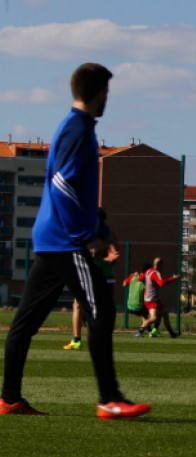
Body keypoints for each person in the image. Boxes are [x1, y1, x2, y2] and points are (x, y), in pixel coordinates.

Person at [0, 63, 150, 418]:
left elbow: (77, 192)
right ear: (98, 93)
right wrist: (86, 237)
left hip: (54, 240)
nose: (107, 100)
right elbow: (63, 186)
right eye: (107, 94)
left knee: (25, 323)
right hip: (66, 241)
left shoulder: (76, 129)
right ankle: (110, 398)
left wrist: (101, 229)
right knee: (102, 309)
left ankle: (8, 399)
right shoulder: (78, 130)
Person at [65, 208, 117, 351]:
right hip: (108, 274)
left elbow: (93, 253)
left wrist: (95, 256)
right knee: (103, 307)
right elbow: (115, 254)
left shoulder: (91, 234)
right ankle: (103, 337)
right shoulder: (109, 234)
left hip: (93, 273)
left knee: (78, 305)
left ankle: (77, 339)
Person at [135, 257, 180, 338]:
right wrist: (173, 278)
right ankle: (140, 331)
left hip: (152, 299)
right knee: (154, 318)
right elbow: (161, 283)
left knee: (165, 314)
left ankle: (172, 334)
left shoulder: (148, 271)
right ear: (160, 265)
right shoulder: (156, 273)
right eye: (162, 266)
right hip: (152, 300)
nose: (163, 268)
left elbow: (140, 278)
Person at [123, 263, 154, 335]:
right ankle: (141, 332)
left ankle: (150, 332)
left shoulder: (133, 275)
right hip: (138, 306)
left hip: (129, 306)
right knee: (154, 314)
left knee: (144, 315)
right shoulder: (147, 278)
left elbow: (124, 284)